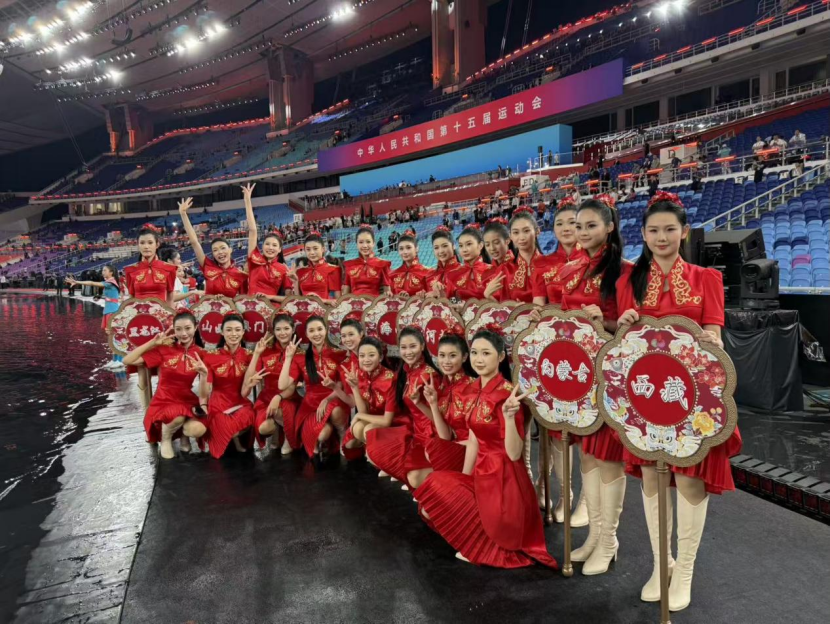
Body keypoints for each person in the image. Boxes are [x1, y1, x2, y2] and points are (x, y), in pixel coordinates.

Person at [616, 191, 742, 612]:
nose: (662, 237)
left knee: (689, 480)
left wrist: (710, 340)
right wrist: (625, 323)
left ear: (684, 232)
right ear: (643, 234)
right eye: (653, 230)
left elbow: (715, 336)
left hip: (693, 397)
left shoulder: (707, 278)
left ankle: (684, 570)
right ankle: (661, 563)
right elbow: (626, 346)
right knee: (651, 478)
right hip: (645, 397)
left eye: (670, 229)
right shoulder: (629, 280)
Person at [415, 327, 558, 569]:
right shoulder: (473, 389)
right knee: (433, 497)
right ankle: (479, 536)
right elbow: (473, 440)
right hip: (481, 471)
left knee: (436, 489)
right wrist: (464, 481)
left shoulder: (507, 395)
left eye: (486, 353)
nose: (478, 359)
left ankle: (486, 544)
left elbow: (514, 454)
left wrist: (510, 418)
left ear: (500, 357)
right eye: (474, 352)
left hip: (503, 479)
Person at [554, 195, 630, 575]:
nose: (582, 232)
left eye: (591, 226)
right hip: (578, 375)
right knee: (587, 454)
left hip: (610, 375)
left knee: (608, 457)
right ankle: (595, 537)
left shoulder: (625, 271)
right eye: (578, 226)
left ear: (610, 227)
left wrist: (605, 322)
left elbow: (633, 329)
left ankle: (609, 539)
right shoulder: (569, 270)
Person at [122, 310, 208, 458]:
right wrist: (152, 343)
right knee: (177, 416)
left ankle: (183, 435)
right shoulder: (164, 349)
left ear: (195, 327)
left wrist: (204, 374)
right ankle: (166, 437)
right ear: (174, 330)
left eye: (188, 328)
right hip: (164, 400)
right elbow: (127, 360)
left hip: (186, 399)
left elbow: (206, 390)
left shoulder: (200, 353)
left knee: (198, 429)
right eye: (178, 329)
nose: (183, 333)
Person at [364, 326, 437, 487]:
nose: (408, 352)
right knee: (373, 441)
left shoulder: (429, 375)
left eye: (413, 346)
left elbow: (437, 416)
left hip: (430, 434)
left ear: (422, 346)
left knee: (414, 478)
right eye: (403, 347)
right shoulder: (406, 372)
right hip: (415, 430)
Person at [277, 316, 349, 460]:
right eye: (311, 331)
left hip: (334, 398)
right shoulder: (300, 357)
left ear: (326, 330)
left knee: (336, 411)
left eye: (319, 329)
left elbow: (341, 383)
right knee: (321, 435)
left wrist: (327, 399)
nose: (316, 334)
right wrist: (289, 358)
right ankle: (326, 435)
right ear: (306, 334)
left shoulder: (339, 354)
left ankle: (342, 434)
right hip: (310, 405)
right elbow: (282, 385)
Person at [418, 332, 476, 479]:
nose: (446, 361)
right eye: (442, 355)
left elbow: (478, 440)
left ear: (464, 357)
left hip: (474, 451)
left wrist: (449, 447)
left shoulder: (474, 387)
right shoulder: (441, 388)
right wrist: (432, 404)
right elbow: (445, 436)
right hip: (454, 448)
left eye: (452, 356)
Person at [200, 314, 257, 458]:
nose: (233, 334)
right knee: (222, 422)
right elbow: (206, 391)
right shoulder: (211, 356)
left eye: (237, 330)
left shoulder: (250, 356)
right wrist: (203, 375)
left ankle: (232, 437)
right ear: (222, 332)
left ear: (243, 332)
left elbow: (247, 388)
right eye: (229, 330)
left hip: (241, 402)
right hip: (218, 404)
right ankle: (231, 438)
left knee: (251, 415)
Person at [244, 313, 300, 455]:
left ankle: (288, 436)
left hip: (288, 397)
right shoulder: (266, 351)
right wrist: (256, 353)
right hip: (266, 397)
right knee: (263, 428)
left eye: (286, 328)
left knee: (283, 410)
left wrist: (278, 397)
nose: (282, 333)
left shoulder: (298, 353)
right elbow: (249, 378)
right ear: (273, 331)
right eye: (278, 329)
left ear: (293, 329)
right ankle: (277, 430)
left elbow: (291, 386)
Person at [179, 197, 248, 297]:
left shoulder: (241, 275)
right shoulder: (208, 266)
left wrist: (224, 301)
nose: (220, 252)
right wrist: (183, 214)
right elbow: (194, 242)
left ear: (230, 250)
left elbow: (243, 300)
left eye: (223, 248)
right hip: (207, 307)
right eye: (215, 250)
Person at [341, 336, 397, 457]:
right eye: (362, 356)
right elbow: (364, 411)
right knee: (354, 436)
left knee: (368, 430)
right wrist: (355, 388)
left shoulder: (391, 379)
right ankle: (372, 451)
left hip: (393, 421)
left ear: (380, 357)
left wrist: (359, 415)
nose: (366, 360)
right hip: (371, 418)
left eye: (371, 355)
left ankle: (378, 455)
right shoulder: (360, 375)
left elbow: (387, 421)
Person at [66, 264, 124, 370]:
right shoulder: (110, 282)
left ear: (111, 272)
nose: (102, 272)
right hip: (109, 310)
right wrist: (100, 297)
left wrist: (77, 282)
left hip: (112, 311)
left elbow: (92, 283)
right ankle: (115, 359)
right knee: (111, 337)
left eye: (105, 270)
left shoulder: (110, 282)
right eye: (102, 270)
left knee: (114, 337)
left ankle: (119, 360)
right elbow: (111, 297)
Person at [243, 183, 292, 303]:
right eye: (267, 244)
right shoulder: (254, 259)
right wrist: (247, 201)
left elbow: (288, 298)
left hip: (272, 308)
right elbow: (253, 231)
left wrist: (270, 297)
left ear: (280, 249)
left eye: (274, 245)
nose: (270, 247)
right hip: (250, 306)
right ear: (262, 246)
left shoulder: (283, 269)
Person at [486, 207, 543, 303]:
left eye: (526, 231)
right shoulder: (505, 270)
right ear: (511, 236)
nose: (521, 237)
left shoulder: (550, 266)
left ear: (537, 231)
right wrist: (488, 295)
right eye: (516, 232)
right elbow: (501, 307)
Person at [123, 226, 177, 305]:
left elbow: (170, 299)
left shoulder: (169, 269)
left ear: (157, 244)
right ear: (138, 245)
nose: (146, 247)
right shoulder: (130, 270)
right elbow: (131, 299)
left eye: (150, 243)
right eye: (142, 243)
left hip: (162, 312)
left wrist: (171, 312)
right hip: (139, 312)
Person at [438, 224, 491, 302]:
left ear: (480, 245)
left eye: (469, 244)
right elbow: (450, 302)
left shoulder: (492, 271)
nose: (464, 249)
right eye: (461, 246)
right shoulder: (452, 275)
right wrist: (442, 295)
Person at [342, 225, 391, 296]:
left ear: (373, 243)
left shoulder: (382, 264)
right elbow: (345, 295)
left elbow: (387, 293)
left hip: (375, 302)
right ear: (356, 244)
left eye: (368, 242)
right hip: (354, 302)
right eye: (361, 242)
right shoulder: (350, 265)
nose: (365, 246)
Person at [294, 231, 341, 299]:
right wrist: (295, 281)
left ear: (323, 249)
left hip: (325, 306)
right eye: (308, 249)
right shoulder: (300, 271)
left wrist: (322, 301)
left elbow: (338, 300)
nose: (312, 252)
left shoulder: (333, 269)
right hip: (303, 305)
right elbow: (297, 299)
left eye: (315, 248)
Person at [389, 230, 431, 296]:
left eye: (408, 248)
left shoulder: (428, 273)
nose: (405, 252)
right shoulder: (392, 275)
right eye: (401, 249)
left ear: (416, 249)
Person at [425, 227, 461, 293]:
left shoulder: (463, 272)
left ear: (453, 246)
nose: (441, 251)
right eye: (436, 248)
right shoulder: (429, 275)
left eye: (445, 246)